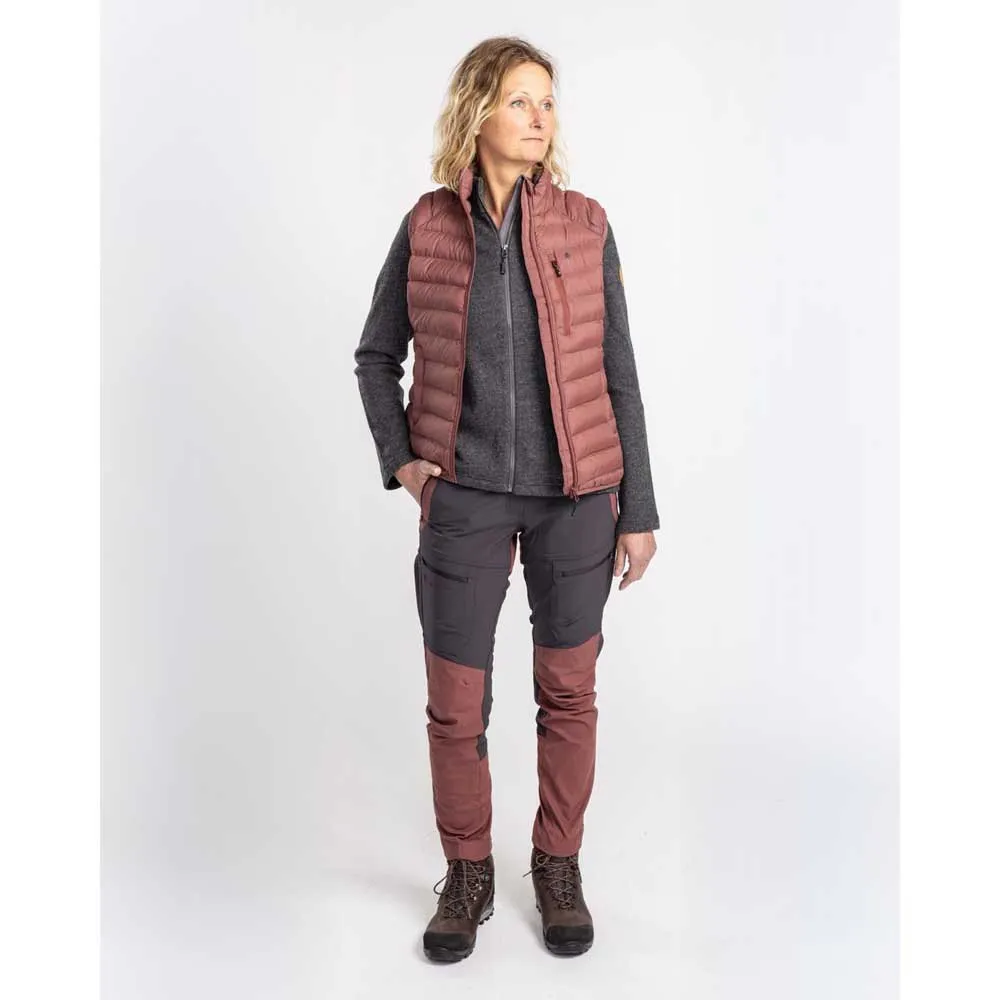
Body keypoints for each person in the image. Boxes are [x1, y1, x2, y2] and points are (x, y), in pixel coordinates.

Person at [353, 36, 660, 962]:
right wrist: (407, 464)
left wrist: (639, 508)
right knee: (456, 706)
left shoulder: (585, 224)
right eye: (522, 100)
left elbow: (619, 373)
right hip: (466, 501)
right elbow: (376, 355)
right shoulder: (428, 228)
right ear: (478, 110)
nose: (541, 118)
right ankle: (468, 872)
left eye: (548, 102)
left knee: (569, 694)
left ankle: (557, 865)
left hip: (578, 499)